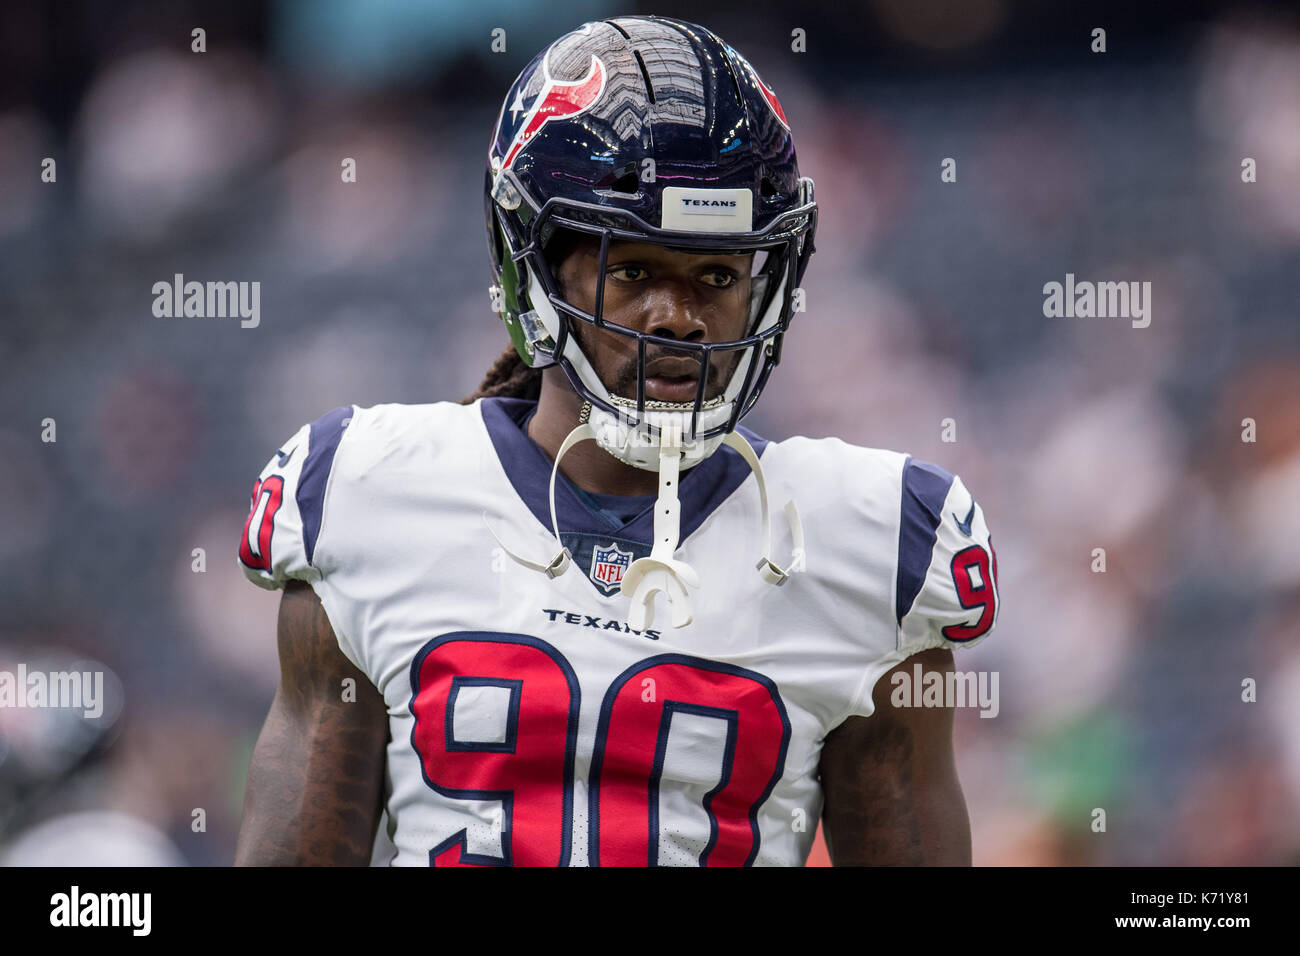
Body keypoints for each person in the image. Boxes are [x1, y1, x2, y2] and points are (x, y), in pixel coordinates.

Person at [234, 15, 999, 867]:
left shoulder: (866, 541)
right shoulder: (369, 492)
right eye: (632, 270)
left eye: (716, 275)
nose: (677, 316)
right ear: (534, 270)